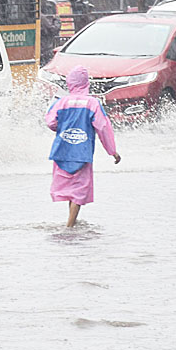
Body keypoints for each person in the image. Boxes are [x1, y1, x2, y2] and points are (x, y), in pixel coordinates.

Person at [44, 66, 120, 228]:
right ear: (87, 84)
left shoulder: (61, 103)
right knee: (79, 190)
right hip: (82, 153)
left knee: (69, 187)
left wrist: (63, 127)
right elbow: (103, 127)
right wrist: (112, 151)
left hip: (62, 151)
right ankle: (69, 226)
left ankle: (72, 221)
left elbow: (51, 122)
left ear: (69, 83)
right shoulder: (93, 104)